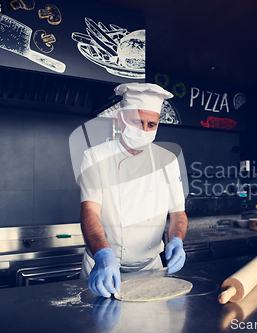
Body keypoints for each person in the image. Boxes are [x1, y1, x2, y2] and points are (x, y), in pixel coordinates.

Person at [77, 82, 188, 298]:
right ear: (120, 120)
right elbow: (90, 211)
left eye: (151, 124)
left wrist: (176, 240)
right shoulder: (95, 157)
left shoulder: (168, 161)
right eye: (137, 122)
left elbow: (178, 213)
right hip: (103, 269)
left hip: (152, 270)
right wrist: (102, 254)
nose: (144, 131)